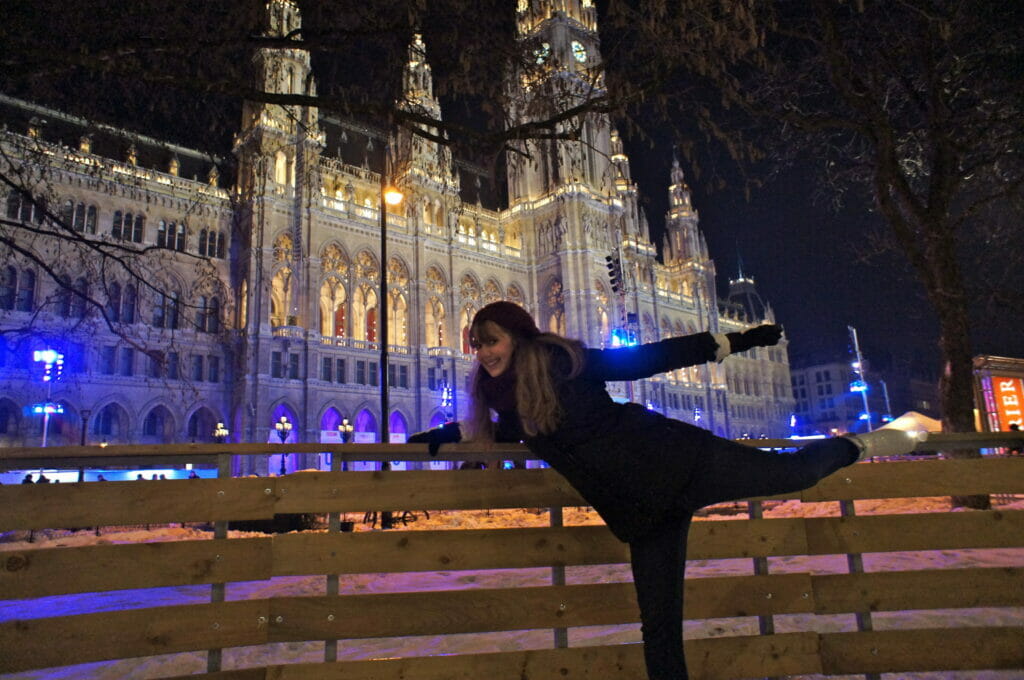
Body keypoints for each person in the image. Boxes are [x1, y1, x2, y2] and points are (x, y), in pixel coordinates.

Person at [409, 301, 923, 680]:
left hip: (680, 461)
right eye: (476, 343)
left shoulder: (568, 363)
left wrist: (734, 341)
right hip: (643, 510)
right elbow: (512, 431)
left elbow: (648, 360)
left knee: (793, 475)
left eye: (491, 340)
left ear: (518, 338)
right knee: (658, 626)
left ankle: (864, 442)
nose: (483, 352)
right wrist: (450, 432)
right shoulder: (510, 403)